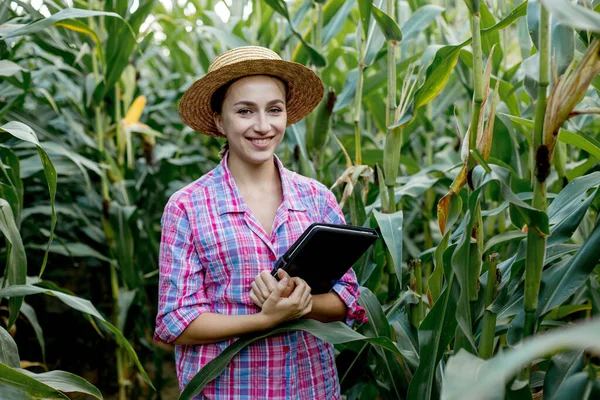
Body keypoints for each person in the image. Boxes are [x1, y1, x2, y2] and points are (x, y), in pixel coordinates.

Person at [154, 46, 363, 399]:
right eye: (245, 111)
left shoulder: (316, 198)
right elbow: (176, 320)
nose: (263, 126)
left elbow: (348, 298)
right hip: (228, 389)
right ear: (219, 120)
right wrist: (264, 320)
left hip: (310, 387)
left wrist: (302, 301)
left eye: (274, 110)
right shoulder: (188, 206)